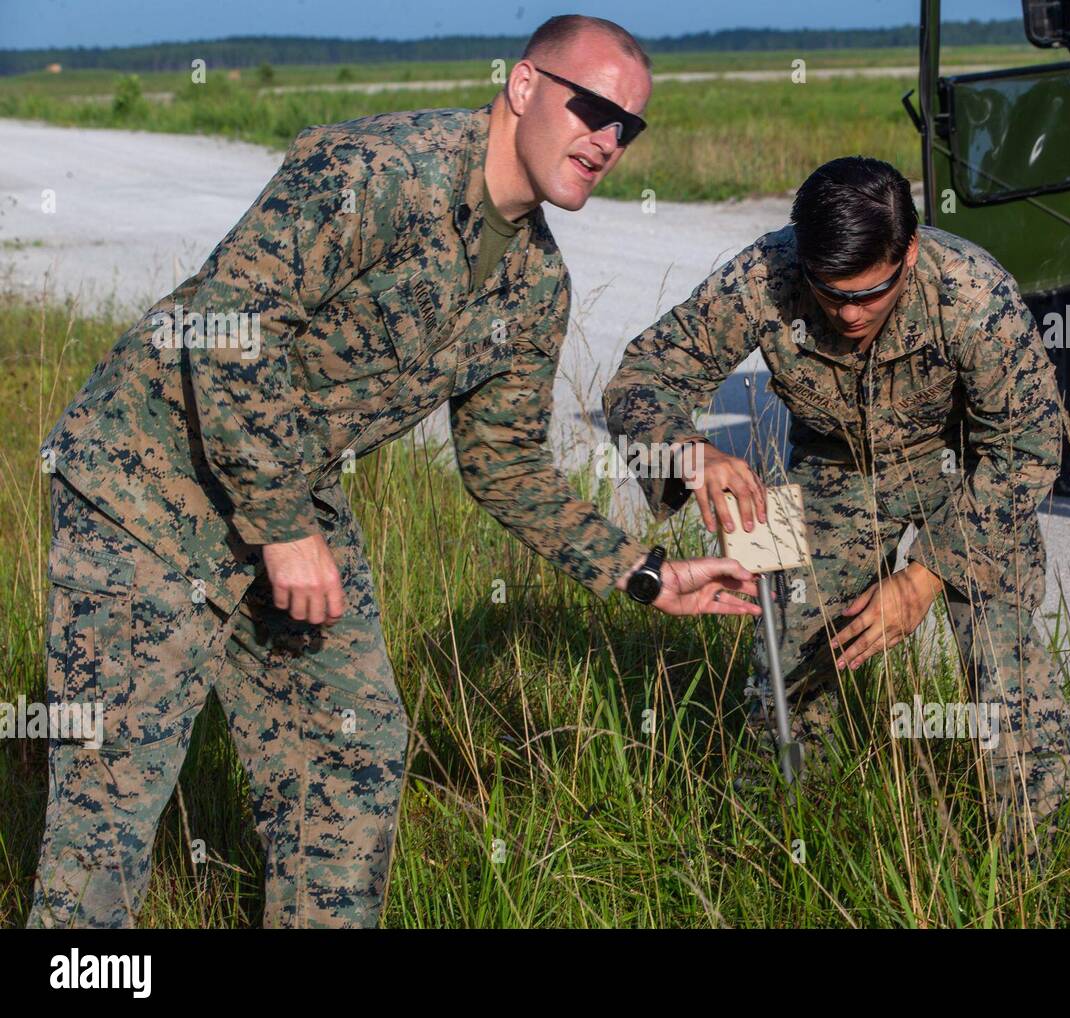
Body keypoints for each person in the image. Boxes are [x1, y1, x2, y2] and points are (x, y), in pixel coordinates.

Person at [29, 14, 759, 929]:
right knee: (108, 814)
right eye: (594, 109)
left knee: (353, 752)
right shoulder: (378, 170)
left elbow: (505, 462)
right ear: (525, 87)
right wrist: (283, 525)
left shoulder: (535, 284)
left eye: (630, 126)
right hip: (144, 484)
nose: (608, 140)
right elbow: (226, 326)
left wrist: (643, 571)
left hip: (290, 495)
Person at [603, 155, 1070, 859]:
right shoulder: (765, 275)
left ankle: (1049, 861)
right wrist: (686, 452)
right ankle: (788, 838)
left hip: (970, 475)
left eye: (872, 292)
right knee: (793, 646)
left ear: (910, 251)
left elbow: (1029, 444)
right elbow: (640, 378)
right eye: (830, 294)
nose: (850, 313)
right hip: (835, 468)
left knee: (1001, 650)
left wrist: (925, 577)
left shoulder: (973, 295)